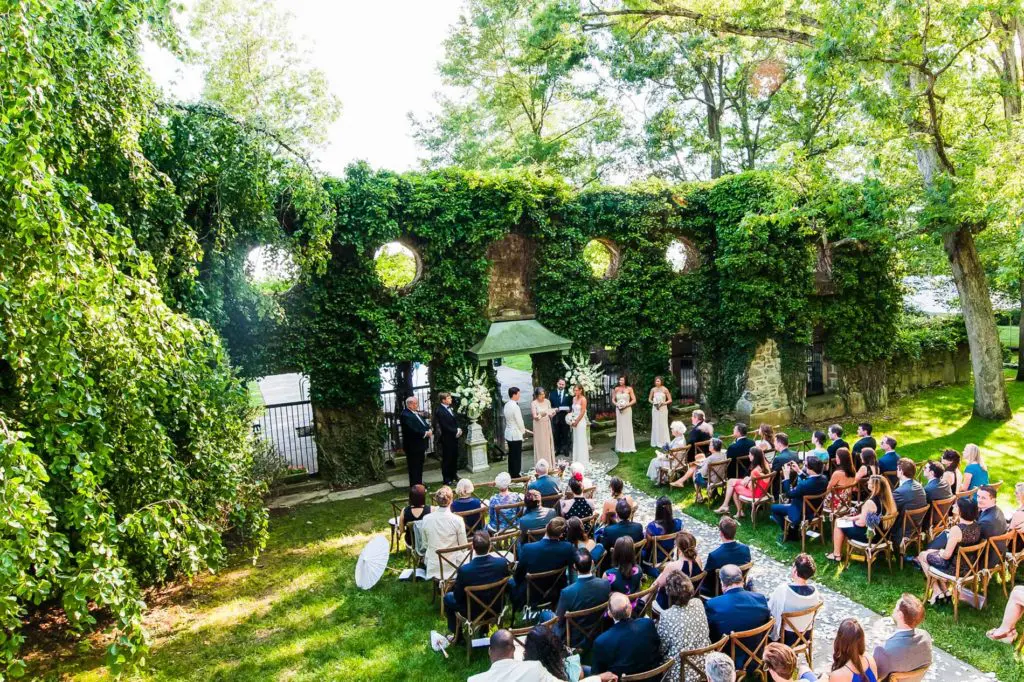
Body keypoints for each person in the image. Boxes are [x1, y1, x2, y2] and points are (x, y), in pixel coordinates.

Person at [468, 629, 616, 682]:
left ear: (489, 651)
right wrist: (599, 677)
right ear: (513, 650)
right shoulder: (534, 668)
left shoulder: (473, 680)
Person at [705, 564, 771, 672]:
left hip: (726, 661)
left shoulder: (713, 605)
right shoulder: (760, 599)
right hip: (757, 656)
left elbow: (710, 635)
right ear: (742, 580)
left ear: (722, 583)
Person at [918, 496, 981, 603]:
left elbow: (946, 555)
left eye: (956, 505)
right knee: (929, 553)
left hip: (954, 569)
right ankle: (945, 591)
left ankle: (937, 591)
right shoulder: (976, 525)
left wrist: (940, 552)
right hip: (969, 566)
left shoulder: (957, 530)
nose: (953, 506)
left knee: (922, 556)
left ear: (961, 511)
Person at [443, 531, 509, 633]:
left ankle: (457, 635)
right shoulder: (502, 563)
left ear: (472, 547)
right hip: (496, 607)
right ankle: (483, 629)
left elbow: (457, 597)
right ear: (490, 546)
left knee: (448, 597)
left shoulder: (465, 571)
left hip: (472, 612)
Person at [828, 475, 897, 562]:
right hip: (883, 536)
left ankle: (836, 555)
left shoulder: (870, 502)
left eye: (870, 482)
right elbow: (869, 516)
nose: (867, 482)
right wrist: (851, 519)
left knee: (838, 522)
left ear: (874, 486)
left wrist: (851, 522)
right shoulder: (888, 501)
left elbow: (861, 523)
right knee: (844, 521)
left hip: (869, 537)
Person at [657, 572, 711, 682]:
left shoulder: (667, 616)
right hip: (705, 664)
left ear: (669, 592)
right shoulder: (698, 603)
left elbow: (662, 648)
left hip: (681, 673)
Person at [591, 592, 661, 677]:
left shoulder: (601, 642)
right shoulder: (647, 624)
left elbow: (597, 675)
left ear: (610, 614)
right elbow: (658, 646)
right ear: (630, 608)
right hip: (654, 678)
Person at [551, 549, 611, 647]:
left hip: (575, 638)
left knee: (546, 615)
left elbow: (559, 620)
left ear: (574, 567)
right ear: (592, 563)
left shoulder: (567, 592)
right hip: (598, 632)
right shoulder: (605, 584)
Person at [513, 517, 574, 609]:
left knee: (511, 582)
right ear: (561, 535)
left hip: (531, 595)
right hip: (556, 592)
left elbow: (518, 576)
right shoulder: (567, 547)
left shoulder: (527, 549)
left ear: (546, 527)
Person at [873, 594, 933, 679]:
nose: (893, 609)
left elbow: (874, 677)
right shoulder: (926, 638)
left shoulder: (884, 650)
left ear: (900, 615)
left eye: (896, 607)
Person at [768, 554, 822, 644]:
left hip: (786, 638)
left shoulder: (783, 590)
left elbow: (771, 610)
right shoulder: (815, 592)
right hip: (805, 636)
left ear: (795, 571)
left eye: (793, 566)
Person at [771, 457, 828, 542]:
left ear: (811, 469)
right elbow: (811, 480)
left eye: (805, 465)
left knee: (773, 508)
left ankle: (790, 533)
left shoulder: (803, 485)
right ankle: (793, 529)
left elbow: (789, 495)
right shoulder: (824, 479)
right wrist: (798, 471)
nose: (804, 467)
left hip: (801, 513)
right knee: (787, 505)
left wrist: (786, 477)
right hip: (816, 511)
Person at [420, 486, 467, 580]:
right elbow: (464, 546)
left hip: (434, 564)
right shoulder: (458, 520)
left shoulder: (426, 519)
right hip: (454, 565)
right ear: (452, 501)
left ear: (436, 500)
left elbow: (425, 544)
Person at [715, 447, 771, 519]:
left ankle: (736, 510)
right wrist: (749, 478)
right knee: (731, 482)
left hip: (755, 494)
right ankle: (733, 509)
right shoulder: (765, 465)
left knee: (733, 486)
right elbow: (758, 479)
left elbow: (751, 488)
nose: (748, 456)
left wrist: (747, 482)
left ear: (754, 456)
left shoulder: (755, 471)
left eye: (750, 454)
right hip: (763, 491)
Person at [700, 517, 750, 597]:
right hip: (738, 585)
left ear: (721, 533)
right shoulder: (745, 549)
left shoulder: (714, 555)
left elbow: (706, 578)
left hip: (719, 590)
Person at [595, 498, 644, 566]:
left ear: (617, 515)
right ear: (630, 514)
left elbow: (604, 548)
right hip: (633, 560)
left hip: (614, 564)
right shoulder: (638, 527)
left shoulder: (609, 530)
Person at [891, 459, 927, 545]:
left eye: (897, 469)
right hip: (916, 527)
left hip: (901, 530)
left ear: (901, 472)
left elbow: (889, 510)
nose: (896, 471)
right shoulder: (919, 486)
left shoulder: (900, 492)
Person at [399, 395, 432, 487]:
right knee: (414, 466)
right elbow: (412, 429)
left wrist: (428, 429)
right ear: (409, 404)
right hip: (413, 446)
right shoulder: (405, 415)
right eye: (415, 403)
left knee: (419, 466)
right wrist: (425, 433)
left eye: (417, 403)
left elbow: (423, 424)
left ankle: (419, 483)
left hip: (420, 445)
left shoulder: (414, 413)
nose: (417, 405)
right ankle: (415, 486)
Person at [685, 437, 729, 501]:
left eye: (710, 444)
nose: (709, 445)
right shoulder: (724, 455)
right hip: (722, 479)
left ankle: (699, 497)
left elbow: (703, 474)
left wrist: (699, 469)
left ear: (713, 447)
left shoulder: (710, 459)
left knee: (695, 473)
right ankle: (713, 492)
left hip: (712, 482)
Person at [433, 392, 462, 485]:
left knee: (454, 456)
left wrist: (458, 429)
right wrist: (455, 431)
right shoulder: (440, 410)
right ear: (443, 400)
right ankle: (447, 479)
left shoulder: (450, 408)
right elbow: (444, 426)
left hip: (454, 437)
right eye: (449, 398)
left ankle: (454, 474)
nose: (451, 399)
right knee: (447, 459)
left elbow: (454, 420)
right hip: (446, 438)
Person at [977, 484, 1008, 565]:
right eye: (978, 496)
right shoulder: (997, 510)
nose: (979, 500)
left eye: (983, 498)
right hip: (998, 553)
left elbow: (976, 543)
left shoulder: (987, 522)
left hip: (987, 559)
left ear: (993, 499)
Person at [649, 420, 687, 484]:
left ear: (677, 431)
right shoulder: (681, 438)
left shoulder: (678, 443)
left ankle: (659, 479)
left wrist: (661, 456)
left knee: (654, 461)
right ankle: (662, 478)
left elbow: (671, 457)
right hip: (680, 461)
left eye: (672, 429)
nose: (671, 430)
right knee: (657, 459)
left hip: (674, 464)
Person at [504, 387, 530, 477]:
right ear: (514, 394)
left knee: (511, 455)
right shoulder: (515, 406)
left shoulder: (506, 405)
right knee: (516, 455)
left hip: (508, 433)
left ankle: (511, 472)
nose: (519, 395)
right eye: (518, 394)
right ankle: (516, 474)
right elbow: (519, 421)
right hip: (515, 434)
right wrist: (523, 431)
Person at [399, 484, 431, 548]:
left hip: (411, 542)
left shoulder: (404, 511)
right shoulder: (431, 509)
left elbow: (401, 530)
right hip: (427, 541)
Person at [826, 448, 857, 512]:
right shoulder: (853, 471)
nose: (835, 458)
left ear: (842, 459)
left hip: (836, 503)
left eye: (837, 457)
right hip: (847, 501)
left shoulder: (837, 473)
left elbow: (828, 489)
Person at [612, 375, 637, 454]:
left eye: (622, 380)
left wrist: (626, 405)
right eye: (619, 380)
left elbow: (634, 400)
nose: (620, 382)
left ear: (625, 381)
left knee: (627, 426)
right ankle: (620, 446)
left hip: (627, 409)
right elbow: (613, 399)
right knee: (620, 426)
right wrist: (617, 404)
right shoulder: (616, 389)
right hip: (618, 410)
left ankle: (629, 446)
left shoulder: (629, 389)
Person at [531, 387, 556, 465]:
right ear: (537, 395)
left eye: (544, 394)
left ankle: (549, 462)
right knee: (540, 444)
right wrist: (542, 414)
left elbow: (550, 414)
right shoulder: (534, 403)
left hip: (546, 424)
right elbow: (535, 416)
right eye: (541, 394)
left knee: (547, 444)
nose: (543, 396)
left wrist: (553, 413)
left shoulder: (547, 401)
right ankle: (540, 463)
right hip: (538, 425)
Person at [550, 378, 573, 458]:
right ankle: (557, 449)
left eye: (563, 384)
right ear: (557, 384)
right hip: (556, 417)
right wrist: (554, 410)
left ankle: (566, 450)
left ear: (565, 385)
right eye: (560, 384)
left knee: (565, 434)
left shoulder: (569, 394)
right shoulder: (552, 394)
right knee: (556, 434)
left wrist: (569, 409)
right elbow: (550, 406)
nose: (561, 386)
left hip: (565, 417)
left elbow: (571, 405)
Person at [649, 376, 673, 448]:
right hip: (655, 409)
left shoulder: (665, 389)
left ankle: (664, 441)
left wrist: (663, 403)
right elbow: (649, 399)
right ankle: (656, 441)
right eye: (656, 381)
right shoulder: (653, 389)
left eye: (658, 381)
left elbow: (670, 400)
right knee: (656, 424)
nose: (657, 382)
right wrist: (654, 402)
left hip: (663, 409)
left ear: (661, 381)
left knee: (663, 424)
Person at [570, 384, 590, 464]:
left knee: (581, 439)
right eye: (574, 390)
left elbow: (582, 412)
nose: (575, 392)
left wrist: (577, 421)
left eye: (577, 390)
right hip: (574, 420)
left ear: (581, 390)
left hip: (580, 421)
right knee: (576, 439)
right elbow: (573, 410)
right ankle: (576, 458)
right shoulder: (574, 398)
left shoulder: (583, 399)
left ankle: (583, 459)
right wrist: (571, 419)